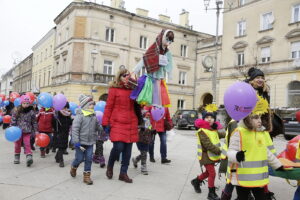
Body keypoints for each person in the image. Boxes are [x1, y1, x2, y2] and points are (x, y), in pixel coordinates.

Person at [227, 99, 284, 200]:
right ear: (247, 118)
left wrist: (277, 165)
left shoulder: (260, 133)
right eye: (255, 118)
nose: (259, 120)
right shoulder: (239, 132)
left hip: (259, 178)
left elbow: (266, 152)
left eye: (260, 117)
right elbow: (230, 152)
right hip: (243, 177)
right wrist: (236, 155)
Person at [102, 68, 142, 183]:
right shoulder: (114, 89)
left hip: (131, 123)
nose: (126, 77)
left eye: (128, 75)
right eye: (124, 75)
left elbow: (139, 106)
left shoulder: (133, 90)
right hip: (117, 122)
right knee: (118, 147)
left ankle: (123, 173)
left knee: (127, 151)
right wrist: (105, 122)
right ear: (119, 77)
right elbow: (108, 107)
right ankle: (110, 166)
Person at [191, 104, 225, 200]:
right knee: (212, 174)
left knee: (208, 173)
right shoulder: (202, 131)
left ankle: (196, 181)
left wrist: (230, 132)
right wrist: (219, 151)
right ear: (203, 119)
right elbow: (207, 144)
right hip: (205, 156)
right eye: (207, 117)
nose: (209, 119)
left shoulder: (213, 129)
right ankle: (211, 193)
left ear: (214, 119)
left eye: (211, 117)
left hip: (211, 156)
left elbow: (221, 134)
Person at [70, 94, 100, 185]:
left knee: (89, 159)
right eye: (91, 104)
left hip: (90, 142)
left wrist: (103, 129)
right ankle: (74, 167)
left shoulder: (93, 116)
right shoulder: (79, 116)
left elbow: (97, 126)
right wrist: (76, 142)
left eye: (93, 104)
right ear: (86, 105)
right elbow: (75, 129)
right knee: (79, 158)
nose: (93, 106)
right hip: (80, 143)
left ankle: (86, 176)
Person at [11, 95, 38, 167]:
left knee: (27, 143)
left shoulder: (31, 112)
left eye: (27, 103)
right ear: (21, 103)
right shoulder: (17, 111)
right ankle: (17, 156)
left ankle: (29, 157)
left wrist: (36, 130)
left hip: (27, 131)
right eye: (24, 103)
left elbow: (34, 122)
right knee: (17, 144)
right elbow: (13, 120)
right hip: (18, 132)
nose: (26, 105)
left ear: (29, 103)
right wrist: (12, 128)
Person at [132, 109, 153, 175]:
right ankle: (143, 167)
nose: (148, 116)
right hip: (139, 139)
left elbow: (150, 128)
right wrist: (141, 128)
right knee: (144, 152)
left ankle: (136, 160)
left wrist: (152, 130)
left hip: (146, 139)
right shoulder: (139, 120)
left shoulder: (148, 121)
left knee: (144, 152)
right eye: (146, 115)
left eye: (148, 115)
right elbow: (136, 128)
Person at [53, 102, 72, 167]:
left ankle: (57, 157)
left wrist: (71, 119)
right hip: (59, 133)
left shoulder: (68, 114)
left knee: (64, 146)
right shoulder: (57, 114)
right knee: (61, 147)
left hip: (66, 132)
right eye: (64, 107)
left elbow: (69, 123)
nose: (65, 109)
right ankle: (61, 161)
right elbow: (53, 124)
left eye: (67, 107)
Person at [92, 94, 108, 168]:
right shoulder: (97, 108)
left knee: (100, 143)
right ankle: (102, 159)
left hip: (103, 128)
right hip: (97, 128)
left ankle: (95, 157)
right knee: (99, 144)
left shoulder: (107, 108)